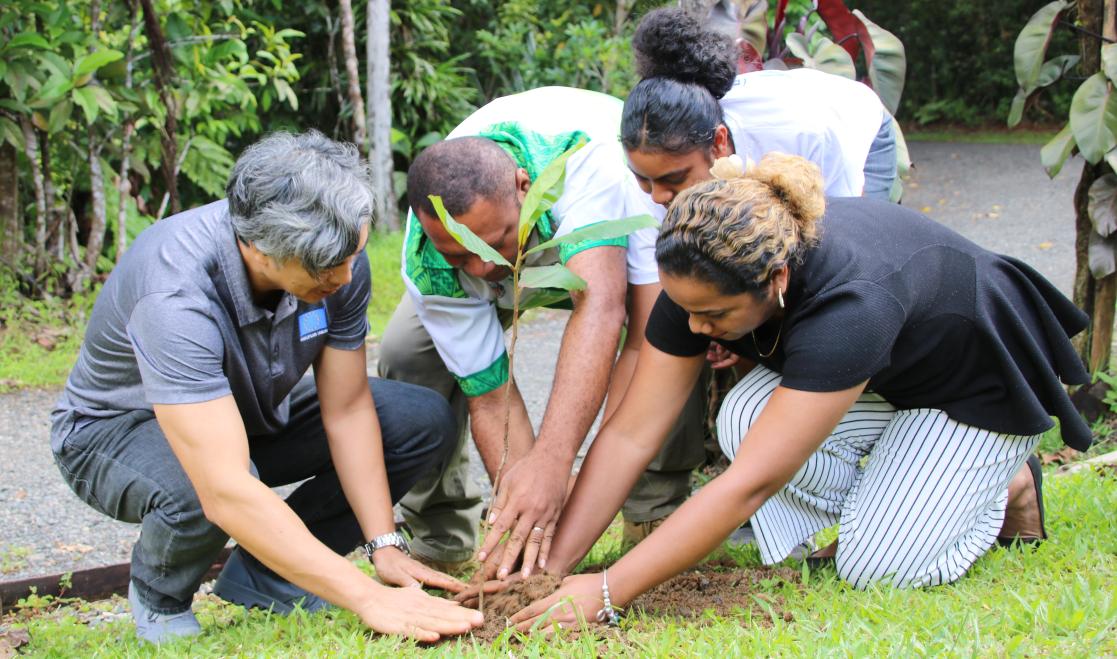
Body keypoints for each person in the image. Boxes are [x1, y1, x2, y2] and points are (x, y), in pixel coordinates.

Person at [510, 153, 1089, 629]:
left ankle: (1003, 486)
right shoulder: (703, 275)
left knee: (878, 566)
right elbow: (633, 433)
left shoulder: (851, 307)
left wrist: (608, 592)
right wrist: (556, 567)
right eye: (683, 307)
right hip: (892, 376)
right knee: (743, 417)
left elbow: (751, 484)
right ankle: (919, 482)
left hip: (980, 388)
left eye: (713, 314)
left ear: (779, 280)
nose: (693, 327)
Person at [49, 131, 483, 644]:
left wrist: (382, 543)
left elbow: (346, 410)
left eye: (352, 257)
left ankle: (269, 577)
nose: (345, 278)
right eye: (327, 268)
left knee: (417, 418)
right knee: (205, 486)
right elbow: (225, 487)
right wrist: (369, 599)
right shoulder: (174, 292)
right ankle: (160, 596)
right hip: (112, 435)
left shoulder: (334, 253)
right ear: (257, 247)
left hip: (241, 414)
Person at [377, 86, 705, 580]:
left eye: (493, 244)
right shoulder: (428, 254)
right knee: (408, 352)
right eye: (461, 255)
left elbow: (604, 313)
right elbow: (490, 399)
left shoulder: (586, 162)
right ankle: (442, 537)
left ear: (524, 186)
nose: (484, 267)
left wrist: (556, 463)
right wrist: (524, 517)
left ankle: (652, 506)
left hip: (609, 239)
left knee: (671, 329)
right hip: (533, 245)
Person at [612, 6, 902, 544]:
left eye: (671, 182)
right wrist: (713, 320)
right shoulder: (663, 167)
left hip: (853, 144)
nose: (657, 197)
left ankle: (829, 469)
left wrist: (747, 327)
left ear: (719, 144)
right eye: (644, 181)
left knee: (823, 314)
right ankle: (748, 492)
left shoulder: (802, 131)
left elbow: (834, 251)